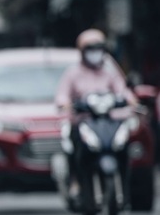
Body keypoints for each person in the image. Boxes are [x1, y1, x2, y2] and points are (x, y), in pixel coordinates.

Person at [55, 29, 136, 199]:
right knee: (73, 145)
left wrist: (131, 101)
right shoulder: (73, 73)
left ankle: (127, 185)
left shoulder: (110, 71)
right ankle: (75, 181)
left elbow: (123, 91)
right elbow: (62, 96)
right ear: (82, 52)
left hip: (108, 122)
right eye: (91, 49)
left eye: (98, 49)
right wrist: (66, 104)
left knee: (124, 146)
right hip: (83, 122)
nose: (95, 53)